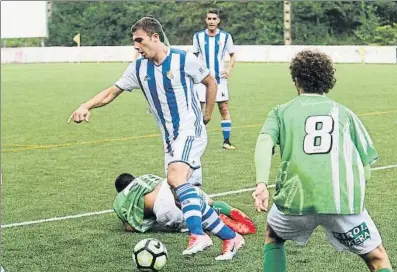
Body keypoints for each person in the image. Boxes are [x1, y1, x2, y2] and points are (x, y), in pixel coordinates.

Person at [68, 17, 244, 257]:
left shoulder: (183, 59)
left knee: (175, 177)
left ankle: (198, 235)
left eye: (139, 40)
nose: (136, 46)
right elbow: (111, 92)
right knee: (181, 197)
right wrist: (85, 105)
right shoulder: (138, 68)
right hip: (170, 138)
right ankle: (231, 237)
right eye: (134, 41)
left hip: (190, 130)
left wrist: (206, 115)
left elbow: (210, 82)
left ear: (154, 37)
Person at [252, 50, 393, 272]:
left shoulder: (280, 112)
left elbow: (264, 142)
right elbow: (366, 170)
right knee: (377, 259)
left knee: (273, 236)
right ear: (327, 81)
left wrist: (261, 183)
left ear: (296, 80)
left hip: (295, 199)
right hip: (341, 201)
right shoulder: (345, 114)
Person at [113, 173, 256, 236]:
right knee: (207, 203)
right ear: (134, 178)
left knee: (197, 220)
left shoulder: (120, 199)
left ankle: (219, 219)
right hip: (174, 186)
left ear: (120, 190)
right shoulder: (144, 177)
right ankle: (226, 210)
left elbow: (130, 227)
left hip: (161, 205)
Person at [192, 9, 237, 150]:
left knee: (223, 108)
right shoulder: (198, 37)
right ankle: (195, 139)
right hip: (202, 80)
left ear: (218, 21)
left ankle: (226, 141)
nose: (211, 21)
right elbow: (193, 56)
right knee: (198, 109)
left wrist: (228, 69)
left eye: (214, 19)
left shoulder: (225, 37)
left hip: (219, 80)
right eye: (209, 19)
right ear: (206, 21)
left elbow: (233, 55)